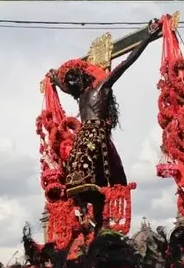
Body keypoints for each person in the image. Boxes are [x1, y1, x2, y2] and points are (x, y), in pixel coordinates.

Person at [49, 19, 162, 232]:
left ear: (83, 77)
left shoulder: (100, 89)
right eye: (68, 80)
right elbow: (65, 88)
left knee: (95, 172)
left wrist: (147, 37)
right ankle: (87, 213)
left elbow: (125, 64)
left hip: (95, 135)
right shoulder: (80, 96)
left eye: (73, 78)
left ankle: (98, 216)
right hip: (83, 137)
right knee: (73, 170)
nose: (70, 83)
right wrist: (55, 79)